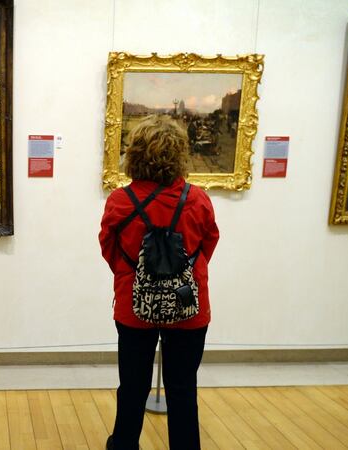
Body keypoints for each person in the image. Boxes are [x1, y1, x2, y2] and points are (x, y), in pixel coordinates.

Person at [98, 115, 219, 450]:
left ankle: (123, 444)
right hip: (188, 306)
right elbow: (208, 245)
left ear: (134, 153)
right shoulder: (197, 200)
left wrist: (138, 276)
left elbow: (110, 250)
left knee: (132, 386)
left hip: (134, 306)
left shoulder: (120, 202)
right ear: (180, 154)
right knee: (183, 388)